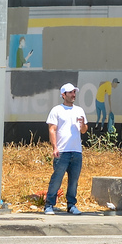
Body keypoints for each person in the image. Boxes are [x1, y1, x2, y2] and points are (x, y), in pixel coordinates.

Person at [44, 83, 88, 215]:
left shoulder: (79, 110)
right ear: (63, 95)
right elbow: (52, 129)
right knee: (57, 178)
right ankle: (49, 204)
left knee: (74, 180)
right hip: (62, 151)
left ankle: (71, 205)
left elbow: (84, 130)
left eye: (74, 92)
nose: (73, 94)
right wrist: (55, 147)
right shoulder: (57, 110)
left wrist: (82, 125)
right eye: (70, 92)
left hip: (76, 151)